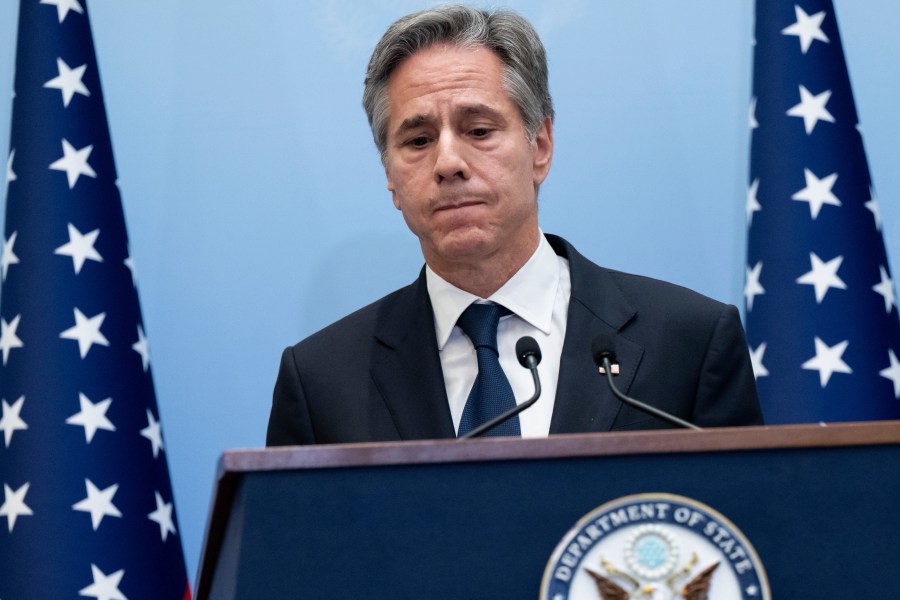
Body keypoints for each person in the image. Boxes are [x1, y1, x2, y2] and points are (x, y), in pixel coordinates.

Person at [266, 4, 762, 446]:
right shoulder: (321, 382)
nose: (448, 162)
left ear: (540, 147)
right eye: (417, 141)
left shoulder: (688, 344)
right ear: (390, 177)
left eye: (478, 130)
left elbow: (744, 535)